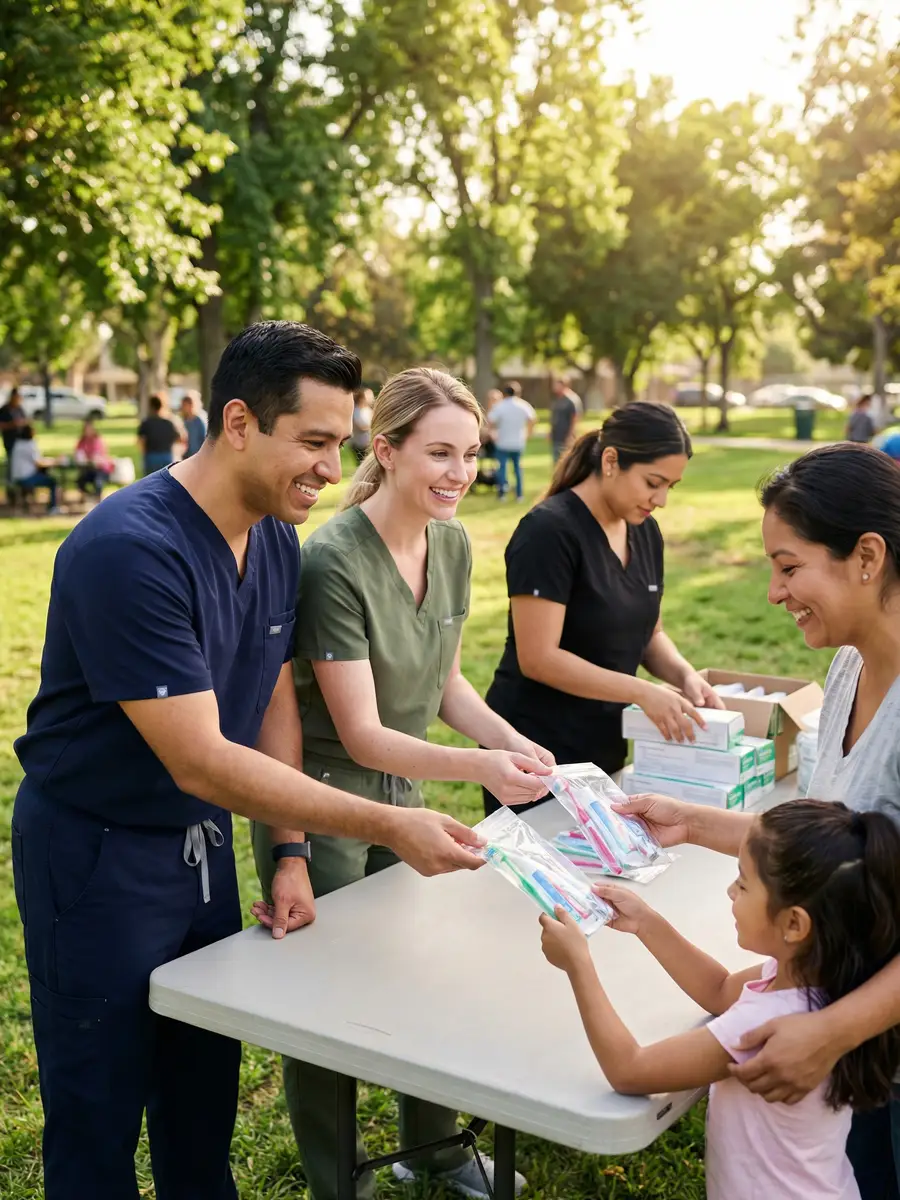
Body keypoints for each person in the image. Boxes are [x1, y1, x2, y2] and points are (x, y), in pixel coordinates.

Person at [11, 322, 488, 1200]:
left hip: (196, 852)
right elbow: (200, 759)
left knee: (202, 1098)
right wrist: (388, 819)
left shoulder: (274, 537)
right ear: (237, 422)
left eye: (339, 445)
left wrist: (294, 849)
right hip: (94, 856)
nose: (330, 468)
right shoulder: (130, 549)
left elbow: (270, 699)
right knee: (99, 1108)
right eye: (311, 442)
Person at [252, 366, 552, 1200]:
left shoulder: (453, 542)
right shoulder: (332, 560)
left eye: (472, 453)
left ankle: (436, 1149)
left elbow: (447, 686)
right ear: (384, 450)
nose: (461, 473)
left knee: (426, 974)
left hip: (406, 794)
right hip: (325, 801)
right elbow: (362, 731)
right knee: (328, 1001)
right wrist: (482, 768)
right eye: (441, 453)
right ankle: (333, 1180)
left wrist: (513, 740)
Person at [617, 442, 900, 1198]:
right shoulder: (845, 667)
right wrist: (692, 822)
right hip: (853, 1037)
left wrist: (832, 1034)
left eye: (788, 566)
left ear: (866, 556)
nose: (775, 592)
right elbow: (837, 852)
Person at [540, 799, 900, 1200]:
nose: (731, 891)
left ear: (794, 923)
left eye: (743, 883)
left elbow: (630, 1070)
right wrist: (646, 922)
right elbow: (720, 990)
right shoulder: (829, 980)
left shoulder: (765, 1023)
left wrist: (578, 964)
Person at [483, 402, 724, 816]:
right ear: (611, 460)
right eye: (653, 482)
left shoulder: (645, 531)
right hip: (536, 750)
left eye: (671, 486)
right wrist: (642, 691)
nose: (661, 499)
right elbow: (539, 658)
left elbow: (651, 635)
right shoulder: (548, 532)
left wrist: (684, 676)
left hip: (604, 744)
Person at [489, 383, 536, 502]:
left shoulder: (500, 406)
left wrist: (493, 433)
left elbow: (490, 420)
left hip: (503, 442)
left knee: (502, 468)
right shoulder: (523, 405)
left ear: (504, 393)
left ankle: (502, 494)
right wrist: (528, 433)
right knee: (517, 469)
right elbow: (532, 419)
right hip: (518, 442)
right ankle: (519, 494)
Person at [10, 423, 59, 513]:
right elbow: (39, 462)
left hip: (16, 477)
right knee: (52, 481)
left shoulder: (17, 444)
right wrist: (55, 461)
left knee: (43, 475)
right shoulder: (29, 445)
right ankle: (53, 508)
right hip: (26, 478)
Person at [138, 392, 182, 474]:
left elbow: (141, 441)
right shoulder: (170, 422)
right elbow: (180, 438)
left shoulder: (146, 423)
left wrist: (144, 455)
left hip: (151, 456)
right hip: (167, 456)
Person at [73, 417, 114, 498]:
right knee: (80, 480)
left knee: (98, 481)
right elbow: (78, 453)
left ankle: (97, 497)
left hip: (102, 469)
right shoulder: (82, 441)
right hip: (89, 468)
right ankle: (90, 496)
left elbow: (98, 456)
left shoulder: (97, 440)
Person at [549, 377, 583, 462]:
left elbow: (575, 417)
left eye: (556, 385)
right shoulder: (558, 399)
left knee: (565, 461)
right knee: (556, 461)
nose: (554, 387)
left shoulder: (572, 400)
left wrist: (570, 434)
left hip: (566, 436)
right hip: (556, 435)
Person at [0, 385, 28, 483]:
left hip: (22, 441)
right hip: (10, 441)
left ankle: (21, 484)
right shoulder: (5, 409)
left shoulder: (19, 409)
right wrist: (12, 424)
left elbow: (25, 420)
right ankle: (10, 484)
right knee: (11, 462)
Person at [180, 390, 208, 458]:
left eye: (185, 405)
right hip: (188, 456)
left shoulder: (200, 419)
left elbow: (205, 438)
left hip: (199, 456)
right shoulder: (185, 420)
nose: (183, 407)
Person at [349, 386, 373, 464]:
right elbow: (360, 427)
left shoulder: (368, 410)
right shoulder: (355, 411)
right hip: (359, 444)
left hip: (369, 442)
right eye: (368, 395)